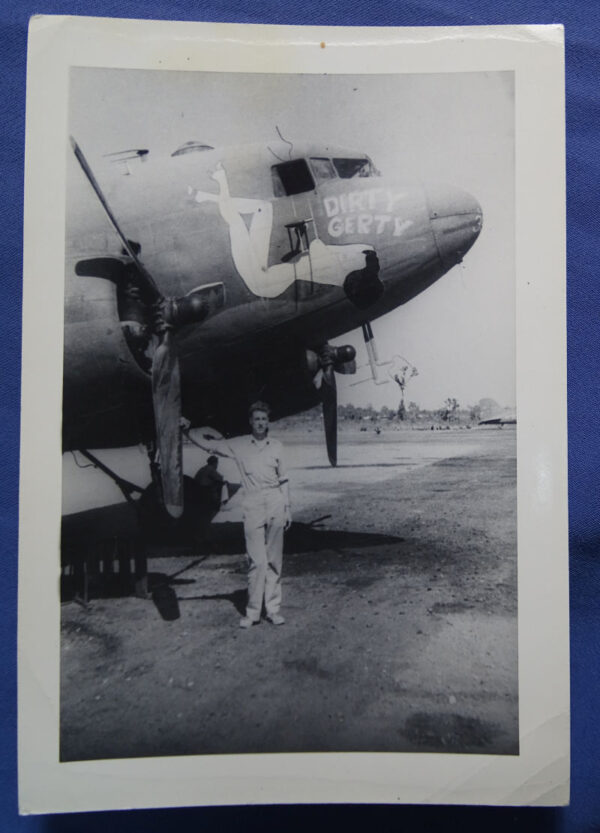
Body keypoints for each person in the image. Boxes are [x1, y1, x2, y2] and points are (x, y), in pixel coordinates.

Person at [194, 402, 292, 628]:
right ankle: (253, 613)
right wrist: (186, 428)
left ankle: (273, 610)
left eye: (264, 419)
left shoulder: (277, 446)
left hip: (276, 501)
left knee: (275, 560)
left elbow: (284, 479)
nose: (260, 423)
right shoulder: (238, 446)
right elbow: (209, 444)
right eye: (257, 419)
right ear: (251, 421)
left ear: (268, 422)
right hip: (253, 503)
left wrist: (287, 508)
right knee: (256, 561)